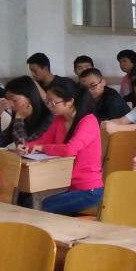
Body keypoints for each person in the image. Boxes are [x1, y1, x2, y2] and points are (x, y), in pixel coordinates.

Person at [20, 80, 104, 214]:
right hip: (64, 183)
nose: (49, 106)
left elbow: (70, 149)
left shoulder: (89, 121)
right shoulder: (59, 120)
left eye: (53, 103)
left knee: (37, 208)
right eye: (47, 102)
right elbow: (42, 140)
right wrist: (27, 147)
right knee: (26, 201)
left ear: (69, 102)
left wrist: (43, 148)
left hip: (87, 190)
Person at [3, 77, 55, 148]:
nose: (10, 105)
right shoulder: (20, 114)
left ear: (29, 97)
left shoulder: (48, 116)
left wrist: (19, 119)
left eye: (14, 100)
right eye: (8, 100)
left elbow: (25, 147)